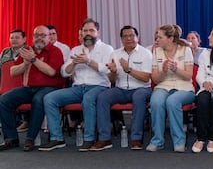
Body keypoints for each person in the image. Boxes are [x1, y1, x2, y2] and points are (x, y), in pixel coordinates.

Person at [38, 19, 114, 151]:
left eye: (91, 30)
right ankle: (57, 138)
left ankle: (89, 139)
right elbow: (64, 72)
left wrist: (88, 61)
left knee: (88, 99)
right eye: (85, 31)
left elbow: (108, 71)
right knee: (49, 98)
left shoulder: (107, 49)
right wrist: (74, 64)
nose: (88, 33)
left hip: (99, 87)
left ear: (98, 33)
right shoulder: (76, 49)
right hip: (78, 88)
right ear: (81, 33)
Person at [0, 26, 64, 151]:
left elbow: (51, 72)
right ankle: (11, 138)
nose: (39, 38)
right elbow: (13, 72)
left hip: (50, 88)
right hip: (29, 88)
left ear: (49, 37)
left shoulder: (55, 51)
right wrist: (25, 63)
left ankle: (30, 138)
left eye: (43, 35)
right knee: (4, 100)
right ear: (32, 37)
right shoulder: (28, 50)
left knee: (38, 99)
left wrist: (33, 60)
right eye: (36, 35)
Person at [89, 25, 153, 151]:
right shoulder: (115, 53)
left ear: (137, 37)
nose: (129, 38)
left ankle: (136, 138)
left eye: (132, 35)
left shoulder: (146, 53)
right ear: (121, 39)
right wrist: (113, 72)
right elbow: (111, 80)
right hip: (121, 89)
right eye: (125, 36)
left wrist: (128, 69)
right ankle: (104, 138)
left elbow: (146, 78)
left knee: (139, 97)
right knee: (102, 97)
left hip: (141, 89)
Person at [146, 24, 195, 153]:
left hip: (184, 87)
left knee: (172, 101)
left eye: (160, 37)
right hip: (163, 85)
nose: (157, 40)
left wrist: (175, 69)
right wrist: (163, 70)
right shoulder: (156, 51)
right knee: (156, 101)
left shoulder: (185, 50)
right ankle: (158, 140)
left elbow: (189, 76)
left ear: (170, 38)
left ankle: (179, 141)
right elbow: (156, 79)